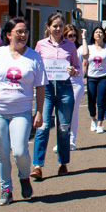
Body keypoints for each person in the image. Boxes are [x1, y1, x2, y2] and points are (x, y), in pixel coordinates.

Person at [0, 18, 46, 206]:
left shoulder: (34, 57)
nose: (23, 35)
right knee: (1, 152)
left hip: (21, 111)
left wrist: (39, 111)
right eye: (19, 32)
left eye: (25, 31)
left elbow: (40, 87)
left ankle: (24, 177)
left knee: (19, 151)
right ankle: (6, 189)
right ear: (8, 34)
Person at [31, 12, 82, 180]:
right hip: (45, 89)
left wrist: (73, 71)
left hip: (64, 88)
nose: (58, 29)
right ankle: (37, 166)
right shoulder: (40, 45)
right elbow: (35, 65)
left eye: (61, 26)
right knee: (43, 127)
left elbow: (77, 68)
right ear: (48, 27)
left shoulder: (70, 46)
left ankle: (63, 163)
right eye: (55, 26)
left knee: (63, 127)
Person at [84, 27, 106, 134]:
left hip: (104, 77)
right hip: (91, 78)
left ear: (104, 36)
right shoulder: (89, 48)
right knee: (91, 102)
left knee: (101, 101)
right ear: (93, 35)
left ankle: (100, 123)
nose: (98, 34)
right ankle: (94, 119)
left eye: (100, 32)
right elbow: (84, 63)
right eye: (96, 32)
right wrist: (81, 76)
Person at [66, 24, 86, 150]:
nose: (72, 38)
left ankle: (71, 140)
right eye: (69, 36)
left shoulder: (78, 48)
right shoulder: (61, 48)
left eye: (74, 35)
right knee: (60, 112)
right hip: (62, 81)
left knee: (73, 111)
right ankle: (61, 140)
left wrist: (84, 38)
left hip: (76, 82)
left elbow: (85, 53)